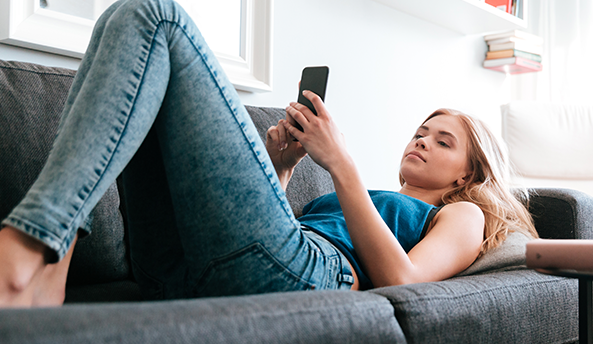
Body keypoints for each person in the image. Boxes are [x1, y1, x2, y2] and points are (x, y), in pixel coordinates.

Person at [0, 0, 538, 308]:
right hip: (180, 270)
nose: (421, 140)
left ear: (471, 170)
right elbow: (259, 247)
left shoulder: (462, 213)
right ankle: (57, 251)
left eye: (444, 141)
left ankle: (36, 247)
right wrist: (279, 168)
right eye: (422, 130)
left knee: (156, 16)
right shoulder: (375, 200)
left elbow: (404, 283)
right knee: (126, 22)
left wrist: (340, 164)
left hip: (314, 276)